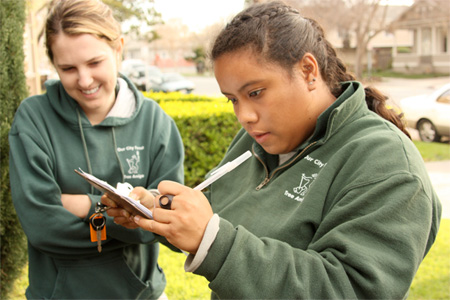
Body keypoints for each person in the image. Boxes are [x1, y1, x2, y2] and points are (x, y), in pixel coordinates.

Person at [104, 1, 442, 299]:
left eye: (255, 93)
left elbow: (350, 288)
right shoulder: (257, 141)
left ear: (308, 71)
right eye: (232, 99)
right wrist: (159, 211)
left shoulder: (384, 161)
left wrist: (213, 240)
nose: (244, 116)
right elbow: (215, 217)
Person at [9, 0, 184, 299]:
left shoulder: (156, 123)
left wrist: (82, 206)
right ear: (54, 64)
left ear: (119, 49)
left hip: (141, 295)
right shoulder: (33, 119)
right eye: (68, 68)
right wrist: (134, 221)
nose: (84, 80)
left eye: (94, 63)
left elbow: (171, 224)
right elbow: (42, 227)